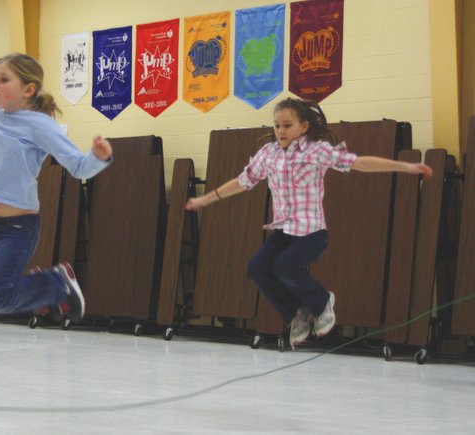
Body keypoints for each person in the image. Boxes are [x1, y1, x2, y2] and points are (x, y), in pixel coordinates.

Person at [185, 97, 432, 349]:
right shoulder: (268, 154)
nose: (280, 131)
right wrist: (206, 198)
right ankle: (297, 314)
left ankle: (323, 302)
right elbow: (242, 181)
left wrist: (406, 166)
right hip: (284, 232)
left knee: (284, 266)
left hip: (312, 233)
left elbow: (360, 163)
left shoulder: (316, 150)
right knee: (257, 268)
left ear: (303, 127)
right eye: (277, 125)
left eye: (287, 125)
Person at [0, 52, 113, 322]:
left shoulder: (41, 126)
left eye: (3, 79)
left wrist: (98, 157)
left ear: (28, 89)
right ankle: (41, 289)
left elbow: (78, 167)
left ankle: (55, 283)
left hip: (17, 229)